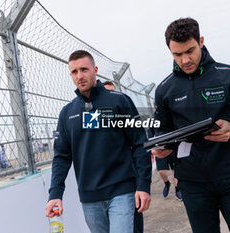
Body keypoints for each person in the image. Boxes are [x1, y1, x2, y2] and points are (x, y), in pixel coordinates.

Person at [153, 18, 230, 233]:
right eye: (177, 54)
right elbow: (163, 130)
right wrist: (163, 147)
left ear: (201, 41)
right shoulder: (165, 89)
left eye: (190, 51)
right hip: (192, 184)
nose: (185, 60)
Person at [45, 50, 152, 233]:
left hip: (122, 192)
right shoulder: (67, 113)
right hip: (90, 198)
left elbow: (140, 144)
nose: (80, 76)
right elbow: (62, 156)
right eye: (74, 72)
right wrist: (55, 194)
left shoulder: (120, 102)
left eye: (84, 69)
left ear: (95, 70)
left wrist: (143, 185)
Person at [103, 79, 145, 233]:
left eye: (112, 92)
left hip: (128, 178)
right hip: (106, 185)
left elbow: (139, 144)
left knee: (134, 219)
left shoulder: (124, 109)